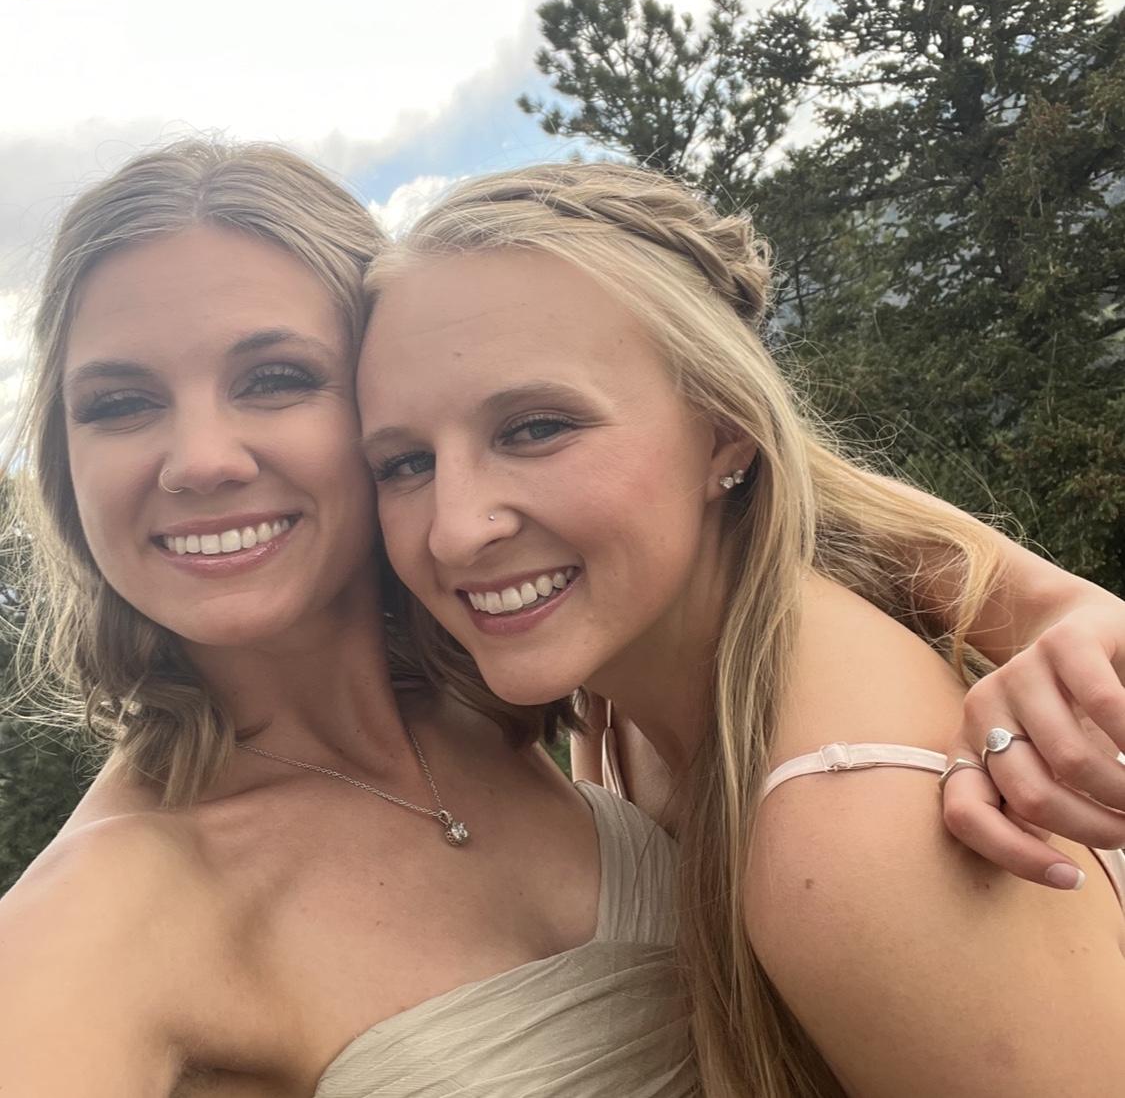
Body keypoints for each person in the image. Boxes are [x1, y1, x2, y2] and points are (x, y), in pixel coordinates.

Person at [357, 161, 1125, 1098]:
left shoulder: (849, 838)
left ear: (723, 431)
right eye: (403, 462)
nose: (453, 529)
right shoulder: (634, 669)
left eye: (535, 428)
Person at [0, 142, 696, 1097]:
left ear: (386, 400)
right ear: (64, 464)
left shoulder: (523, 686)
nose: (199, 460)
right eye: (120, 403)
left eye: (273, 379)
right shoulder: (91, 918)